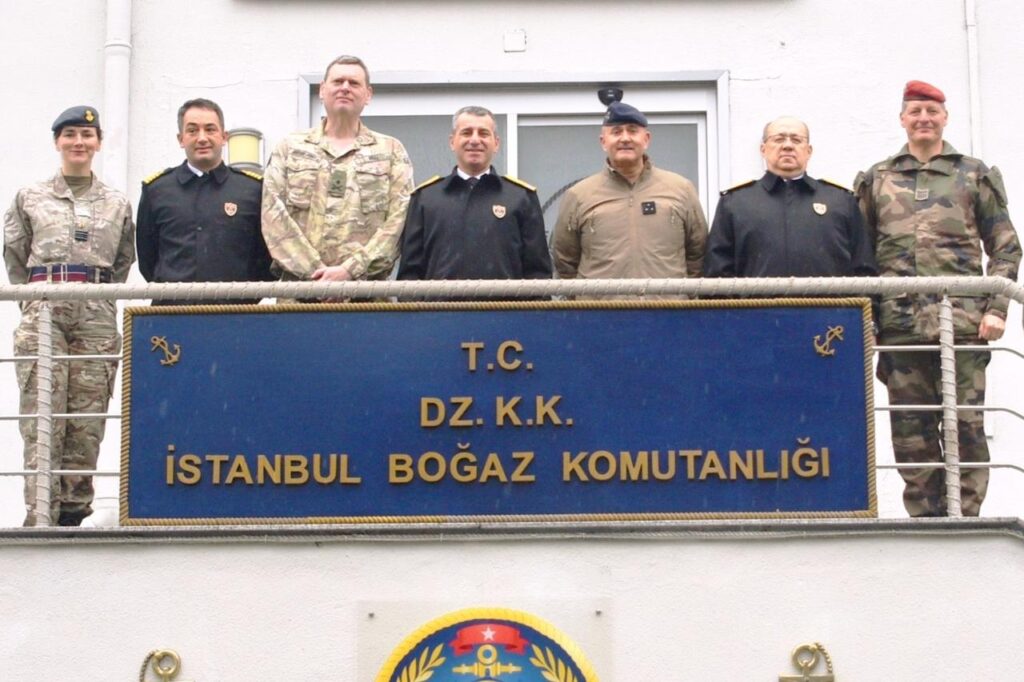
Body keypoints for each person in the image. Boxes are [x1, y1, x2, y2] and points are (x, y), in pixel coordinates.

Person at [855, 80, 1021, 517]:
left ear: (944, 118)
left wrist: (997, 308)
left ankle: (966, 516)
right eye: (915, 112)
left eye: (931, 111)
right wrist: (866, 319)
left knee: (965, 423)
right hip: (900, 324)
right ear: (902, 119)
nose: (923, 119)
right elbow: (860, 255)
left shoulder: (973, 173)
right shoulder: (878, 177)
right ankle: (924, 520)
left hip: (963, 322)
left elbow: (1004, 246)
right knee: (911, 429)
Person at [3, 106, 135, 526]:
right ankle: (40, 510)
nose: (79, 142)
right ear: (57, 141)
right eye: (71, 134)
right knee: (41, 413)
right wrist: (35, 296)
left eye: (87, 135)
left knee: (87, 416)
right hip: (44, 308)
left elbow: (122, 260)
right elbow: (14, 254)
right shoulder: (31, 196)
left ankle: (74, 514)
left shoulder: (116, 202)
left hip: (95, 311)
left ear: (98, 143)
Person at [261, 55, 413, 300]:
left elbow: (399, 221)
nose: (345, 88)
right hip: (299, 297)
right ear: (322, 90)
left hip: (366, 298)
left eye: (354, 83)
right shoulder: (290, 148)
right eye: (338, 81)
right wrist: (317, 275)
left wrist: (349, 272)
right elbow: (272, 216)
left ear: (368, 94)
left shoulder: (391, 151)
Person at [552, 102, 707, 296]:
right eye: (616, 132)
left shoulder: (681, 189)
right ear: (603, 142)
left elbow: (698, 254)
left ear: (646, 139)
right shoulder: (578, 196)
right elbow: (565, 260)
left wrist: (680, 297)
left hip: (668, 315)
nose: (625, 138)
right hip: (600, 317)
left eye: (633, 131)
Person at [397, 106, 551, 295]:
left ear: (496, 143)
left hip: (505, 318)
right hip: (440, 318)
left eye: (484, 133)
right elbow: (409, 274)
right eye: (466, 133)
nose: (475, 140)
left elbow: (538, 273)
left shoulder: (520, 197)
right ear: (452, 141)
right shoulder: (425, 198)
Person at [136, 98, 273, 305]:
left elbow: (265, 257)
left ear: (223, 136)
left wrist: (245, 297)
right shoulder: (157, 190)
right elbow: (148, 260)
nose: (202, 138)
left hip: (236, 314)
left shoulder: (252, 190)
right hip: (173, 314)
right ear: (180, 138)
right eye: (192, 131)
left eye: (210, 129)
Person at [704, 116, 876, 279]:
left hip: (828, 310)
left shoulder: (840, 201)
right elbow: (717, 272)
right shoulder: (736, 203)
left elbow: (863, 267)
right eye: (778, 139)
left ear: (809, 151)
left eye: (796, 140)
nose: (787, 146)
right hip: (756, 309)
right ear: (763, 149)